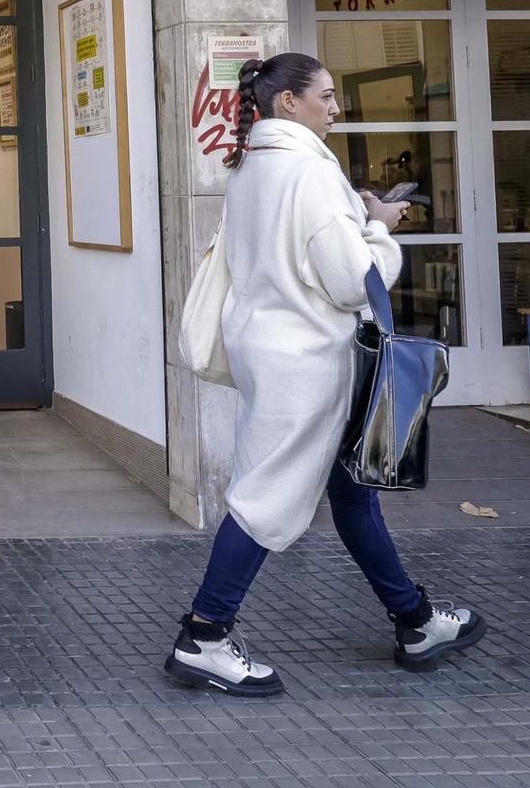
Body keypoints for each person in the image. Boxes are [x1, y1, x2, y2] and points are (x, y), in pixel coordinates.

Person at [165, 53, 486, 697]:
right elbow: (348, 283)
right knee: (265, 501)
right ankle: (204, 636)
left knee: (350, 492)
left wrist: (356, 214)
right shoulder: (309, 172)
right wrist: (377, 226)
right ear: (289, 102)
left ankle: (415, 620)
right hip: (307, 363)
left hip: (272, 350)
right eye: (327, 95)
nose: (336, 107)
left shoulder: (254, 164)